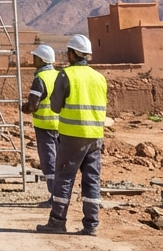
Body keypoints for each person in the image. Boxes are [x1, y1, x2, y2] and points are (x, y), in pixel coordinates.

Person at [37, 34, 107, 236]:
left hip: (72, 137)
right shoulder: (99, 77)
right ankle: (91, 224)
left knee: (64, 178)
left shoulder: (65, 75)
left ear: (72, 53)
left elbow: (56, 106)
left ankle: (57, 221)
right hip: (95, 136)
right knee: (92, 180)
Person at [22, 44, 60, 199]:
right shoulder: (59, 75)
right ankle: (61, 195)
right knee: (60, 161)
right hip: (62, 126)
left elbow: (32, 105)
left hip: (45, 127)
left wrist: (23, 107)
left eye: (35, 57)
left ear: (41, 60)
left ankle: (54, 197)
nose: (33, 59)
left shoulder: (40, 79)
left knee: (49, 162)